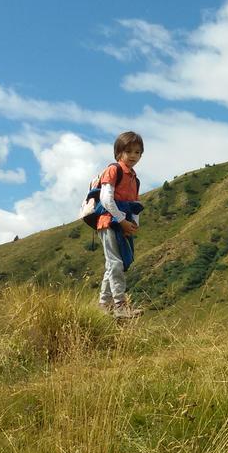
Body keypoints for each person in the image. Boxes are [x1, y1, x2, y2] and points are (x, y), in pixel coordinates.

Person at [97, 131, 145, 319]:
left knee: (114, 264)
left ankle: (103, 305)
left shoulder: (135, 178)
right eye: (129, 151)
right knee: (115, 264)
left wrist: (132, 225)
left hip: (122, 224)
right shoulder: (114, 170)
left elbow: (135, 205)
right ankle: (120, 306)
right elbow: (106, 199)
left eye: (138, 152)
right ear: (119, 152)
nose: (133, 156)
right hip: (109, 222)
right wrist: (122, 221)